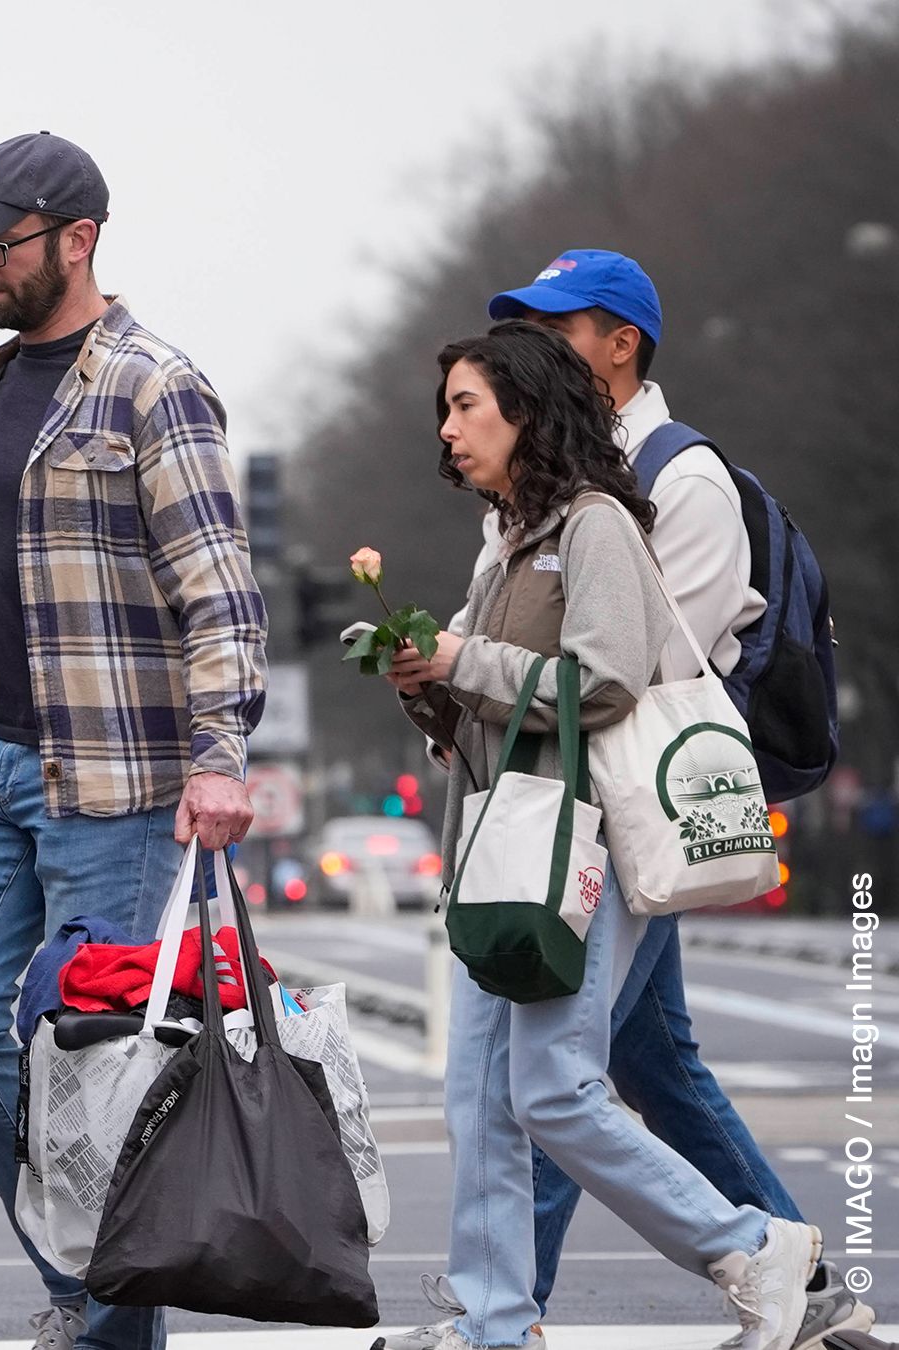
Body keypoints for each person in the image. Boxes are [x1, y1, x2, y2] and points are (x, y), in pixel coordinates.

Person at [376, 320, 819, 1350]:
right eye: (445, 410)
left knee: (557, 1090)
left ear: (526, 413)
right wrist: (424, 683)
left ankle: (753, 1246)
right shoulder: (511, 542)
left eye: (466, 407)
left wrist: (463, 662)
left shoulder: (594, 525)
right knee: (480, 1097)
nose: (447, 430)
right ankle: (494, 1320)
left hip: (585, 846)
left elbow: (605, 682)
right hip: (509, 840)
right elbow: (487, 712)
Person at [0, 130, 264, 1350]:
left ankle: (107, 1322)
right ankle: (92, 1286)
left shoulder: (157, 384)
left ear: (78, 240)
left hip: (115, 780)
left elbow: (219, 590)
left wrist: (220, 756)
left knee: (93, 1068)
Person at [475, 250, 873, 1349]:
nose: (532, 345)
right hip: (576, 798)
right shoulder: (546, 470)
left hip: (621, 805)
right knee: (643, 1062)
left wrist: (490, 670)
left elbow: (656, 665)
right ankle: (806, 1282)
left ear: (622, 344)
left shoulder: (676, 475)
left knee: (561, 1063)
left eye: (557, 327)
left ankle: (504, 1309)